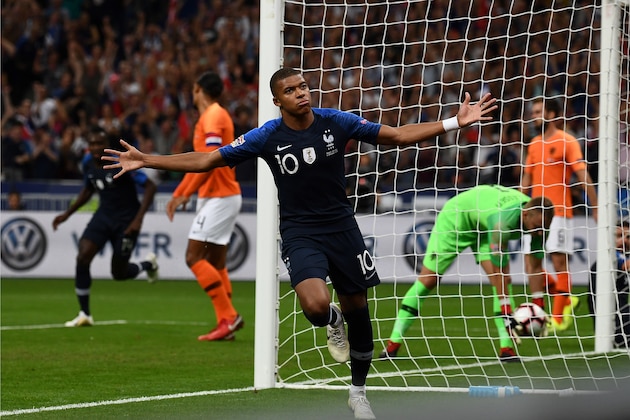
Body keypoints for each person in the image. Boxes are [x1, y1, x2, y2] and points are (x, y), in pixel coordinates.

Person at [102, 67, 497, 419]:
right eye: (291, 90)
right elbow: (208, 160)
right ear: (277, 101)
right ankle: (331, 322)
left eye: (304, 86)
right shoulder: (266, 136)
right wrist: (148, 159)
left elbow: (394, 136)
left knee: (360, 312)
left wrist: (452, 123)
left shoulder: (335, 122)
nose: (301, 93)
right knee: (315, 304)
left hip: (342, 228)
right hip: (299, 231)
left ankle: (358, 392)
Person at [380, 185, 554, 363]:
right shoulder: (503, 223)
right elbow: (500, 270)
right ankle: (392, 345)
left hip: (483, 226)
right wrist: (507, 312)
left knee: (501, 282)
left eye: (544, 228)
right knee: (429, 280)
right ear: (525, 215)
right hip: (458, 217)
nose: (540, 232)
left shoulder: (541, 220)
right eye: (537, 227)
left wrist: (538, 306)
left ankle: (507, 349)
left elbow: (534, 266)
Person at [52, 125, 159, 327]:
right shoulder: (87, 163)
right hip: (103, 217)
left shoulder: (121, 163)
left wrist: (138, 220)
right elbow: (88, 189)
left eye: (99, 143)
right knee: (83, 256)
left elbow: (151, 187)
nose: (95, 147)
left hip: (126, 222)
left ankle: (148, 265)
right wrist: (66, 214)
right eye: (91, 143)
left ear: (107, 145)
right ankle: (84, 313)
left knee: (118, 274)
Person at [166, 71, 244, 341]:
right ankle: (225, 322)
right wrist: (180, 193)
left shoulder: (212, 116)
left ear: (198, 89)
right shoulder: (211, 116)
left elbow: (210, 161)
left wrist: (184, 194)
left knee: (193, 257)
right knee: (216, 261)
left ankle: (230, 316)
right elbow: (199, 163)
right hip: (219, 195)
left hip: (219, 196)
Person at [521, 97, 598, 333]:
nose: (534, 117)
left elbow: (582, 174)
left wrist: (595, 206)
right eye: (533, 112)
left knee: (558, 261)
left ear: (552, 114)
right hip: (534, 214)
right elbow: (527, 178)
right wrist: (519, 204)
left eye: (538, 112)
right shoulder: (533, 144)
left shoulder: (567, 141)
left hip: (559, 212)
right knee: (531, 264)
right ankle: (543, 308)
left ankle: (558, 317)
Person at [587, 219, 630, 349]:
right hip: (610, 323)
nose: (624, 241)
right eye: (618, 236)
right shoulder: (604, 263)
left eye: (628, 237)